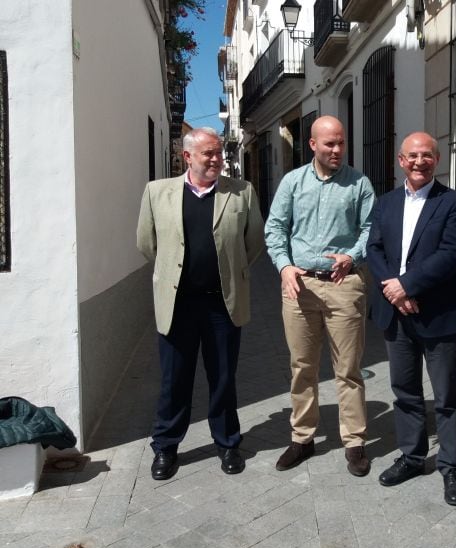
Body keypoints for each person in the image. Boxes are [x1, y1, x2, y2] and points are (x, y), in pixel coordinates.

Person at [137, 127, 264, 480]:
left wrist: (229, 273)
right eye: (208, 153)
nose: (216, 159)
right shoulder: (157, 192)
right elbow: (147, 243)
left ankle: (227, 443)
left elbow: (253, 244)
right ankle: (165, 447)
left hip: (222, 305)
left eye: (219, 152)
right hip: (177, 305)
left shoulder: (241, 193)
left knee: (223, 377)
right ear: (187, 156)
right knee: (174, 380)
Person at [264, 115, 376, 477]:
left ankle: (355, 441)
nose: (337, 150)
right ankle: (303, 437)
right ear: (312, 145)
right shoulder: (293, 183)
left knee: (348, 369)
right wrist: (284, 267)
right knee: (302, 368)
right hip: (299, 286)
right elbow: (275, 228)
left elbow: (371, 228)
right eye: (329, 144)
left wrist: (353, 255)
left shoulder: (359, 184)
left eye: (341, 142)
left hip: (343, 285)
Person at [367, 132, 456, 506]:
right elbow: (373, 248)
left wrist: (406, 287)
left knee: (447, 396)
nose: (419, 161)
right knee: (405, 391)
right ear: (400, 160)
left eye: (426, 155)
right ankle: (412, 457)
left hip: (438, 312)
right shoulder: (386, 203)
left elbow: (449, 254)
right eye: (412, 155)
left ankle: (450, 466)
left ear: (437, 160)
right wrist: (392, 292)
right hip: (395, 315)